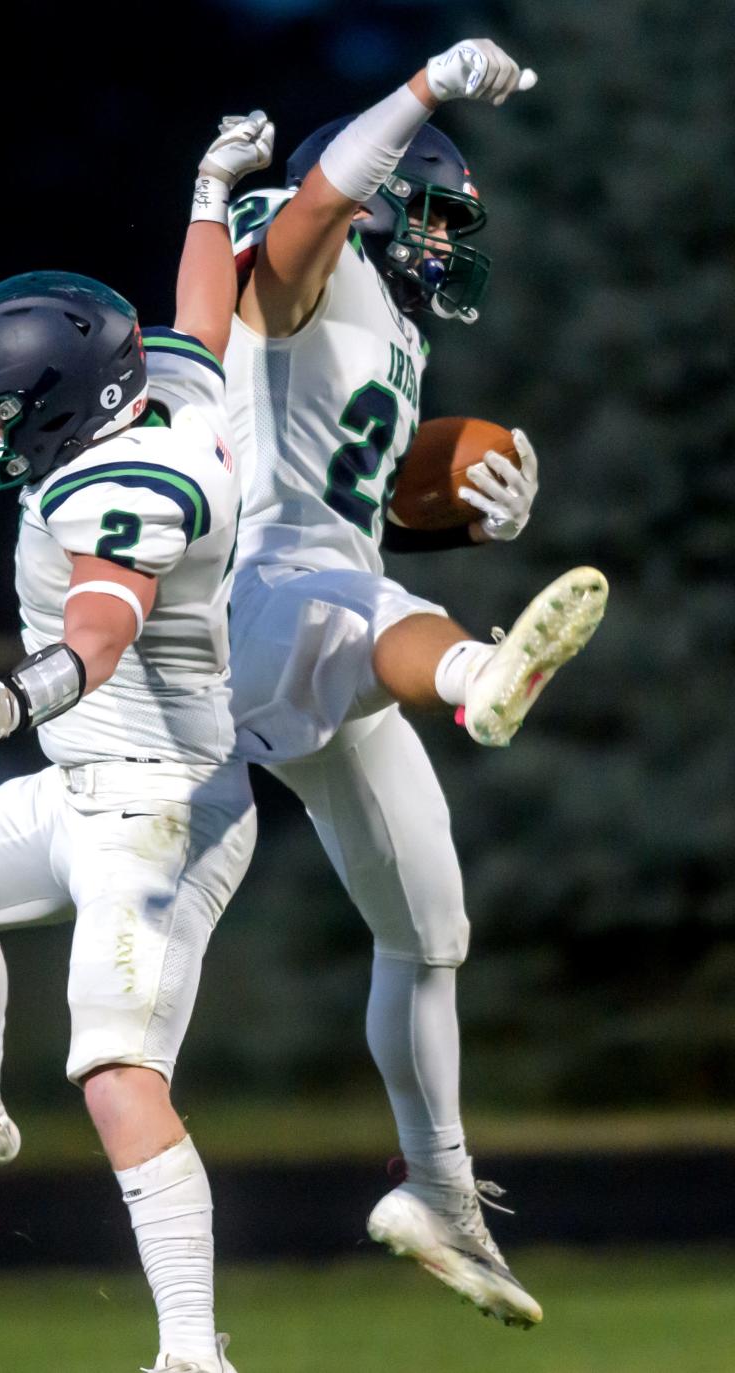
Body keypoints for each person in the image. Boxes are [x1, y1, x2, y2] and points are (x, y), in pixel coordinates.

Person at [0, 112, 274, 1373]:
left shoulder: (121, 487)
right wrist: (211, 191)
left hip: (167, 805)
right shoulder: (170, 394)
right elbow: (203, 320)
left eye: (0, 408)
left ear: (56, 403)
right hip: (89, 786)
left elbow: (107, 610)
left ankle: (192, 1355)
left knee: (111, 1063)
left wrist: (23, 689)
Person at [223, 39, 607, 1328]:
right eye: (432, 214)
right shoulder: (309, 260)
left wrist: (465, 518)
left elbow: (359, 501)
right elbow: (312, 212)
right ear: (386, 194)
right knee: (374, 614)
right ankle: (471, 667)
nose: (445, 243)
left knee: (429, 926)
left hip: (333, 610)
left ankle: (438, 1186)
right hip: (252, 599)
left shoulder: (389, 327)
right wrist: (426, 90)